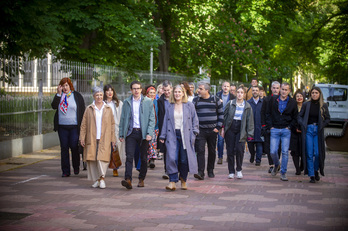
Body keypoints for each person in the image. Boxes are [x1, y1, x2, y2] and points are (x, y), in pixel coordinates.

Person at [159, 85, 199, 191]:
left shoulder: (189, 105)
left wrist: (194, 133)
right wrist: (162, 135)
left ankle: (183, 180)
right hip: (172, 134)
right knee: (172, 158)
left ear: (183, 93)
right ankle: (172, 181)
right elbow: (165, 122)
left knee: (184, 159)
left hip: (186, 135)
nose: (177, 94)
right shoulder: (169, 106)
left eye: (179, 92)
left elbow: (195, 120)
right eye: (175, 92)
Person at [119, 80, 155, 189]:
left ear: (141, 90)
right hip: (131, 132)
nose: (136, 90)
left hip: (143, 133)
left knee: (144, 158)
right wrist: (121, 133)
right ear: (131, 90)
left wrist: (149, 133)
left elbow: (152, 119)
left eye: (138, 88)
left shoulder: (148, 101)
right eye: (134, 88)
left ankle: (141, 178)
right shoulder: (126, 102)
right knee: (129, 156)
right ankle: (128, 179)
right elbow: (123, 118)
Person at [79, 87, 116, 189]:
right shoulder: (89, 108)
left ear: (103, 96)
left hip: (105, 137)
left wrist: (113, 139)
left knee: (102, 159)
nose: (99, 97)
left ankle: (102, 178)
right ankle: (97, 179)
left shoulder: (108, 109)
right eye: (97, 95)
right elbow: (84, 124)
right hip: (92, 137)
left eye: (100, 95)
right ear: (93, 96)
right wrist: (82, 137)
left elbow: (112, 125)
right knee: (93, 159)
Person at [51, 77, 86, 177]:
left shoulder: (77, 95)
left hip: (74, 126)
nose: (65, 88)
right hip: (62, 127)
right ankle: (65, 171)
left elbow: (82, 111)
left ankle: (76, 166)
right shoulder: (59, 96)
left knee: (74, 147)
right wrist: (58, 94)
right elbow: (53, 106)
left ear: (70, 85)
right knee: (64, 148)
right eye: (63, 86)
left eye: (66, 85)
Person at [266, 83, 297, 181]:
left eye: (285, 89)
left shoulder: (292, 102)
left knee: (284, 152)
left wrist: (289, 127)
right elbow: (268, 113)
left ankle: (283, 172)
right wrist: (270, 126)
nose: (283, 91)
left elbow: (295, 117)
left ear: (289, 91)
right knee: (273, 151)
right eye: (282, 89)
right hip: (274, 129)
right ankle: (276, 164)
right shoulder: (274, 100)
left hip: (285, 130)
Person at [298, 87, 330, 183]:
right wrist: (303, 124)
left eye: (316, 93)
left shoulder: (323, 105)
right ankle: (311, 175)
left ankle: (316, 170)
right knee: (309, 153)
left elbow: (328, 119)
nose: (314, 94)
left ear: (319, 94)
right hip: (308, 130)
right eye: (312, 93)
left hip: (318, 131)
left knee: (317, 153)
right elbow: (299, 116)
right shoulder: (306, 104)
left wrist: (322, 125)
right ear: (310, 94)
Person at [192, 82, 223, 180]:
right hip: (200, 130)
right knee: (200, 150)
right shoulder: (195, 100)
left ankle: (210, 170)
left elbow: (221, 115)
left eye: (201, 89)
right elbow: (192, 115)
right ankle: (200, 172)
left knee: (212, 151)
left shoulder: (215, 100)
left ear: (207, 90)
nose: (198, 90)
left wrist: (217, 128)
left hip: (212, 130)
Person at [223, 86, 254, 179]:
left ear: (244, 95)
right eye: (238, 92)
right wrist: (223, 129)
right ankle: (231, 171)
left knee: (240, 149)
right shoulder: (231, 103)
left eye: (242, 92)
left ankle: (239, 169)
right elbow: (225, 116)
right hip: (231, 127)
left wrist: (250, 134)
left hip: (241, 128)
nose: (240, 94)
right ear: (236, 93)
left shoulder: (247, 106)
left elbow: (250, 120)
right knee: (230, 150)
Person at [103, 84, 124, 177]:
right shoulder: (102, 103)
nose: (109, 92)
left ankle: (115, 168)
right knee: (105, 148)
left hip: (116, 127)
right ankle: (103, 168)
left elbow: (122, 117)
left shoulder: (119, 103)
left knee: (116, 148)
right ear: (104, 92)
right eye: (107, 90)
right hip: (105, 128)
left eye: (111, 90)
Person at [261, 81, 280, 173]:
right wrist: (264, 125)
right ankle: (271, 164)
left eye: (277, 88)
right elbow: (263, 113)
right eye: (274, 88)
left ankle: (277, 162)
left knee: (278, 147)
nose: (275, 90)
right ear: (271, 89)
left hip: (279, 127)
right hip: (268, 127)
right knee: (269, 146)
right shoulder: (266, 99)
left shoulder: (283, 100)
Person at [216, 81, 235, 164]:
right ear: (222, 87)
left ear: (230, 87)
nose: (226, 88)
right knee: (220, 140)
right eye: (224, 86)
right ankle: (220, 157)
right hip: (219, 120)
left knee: (229, 140)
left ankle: (229, 155)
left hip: (229, 121)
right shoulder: (217, 96)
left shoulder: (233, 97)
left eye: (227, 86)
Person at [157, 80, 173, 179]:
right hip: (164, 128)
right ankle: (167, 170)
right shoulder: (160, 101)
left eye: (168, 90)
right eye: (165, 90)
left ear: (171, 89)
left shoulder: (176, 100)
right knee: (166, 151)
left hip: (175, 128)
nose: (166, 92)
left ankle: (174, 169)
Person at [290, 90, 305, 175]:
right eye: (297, 96)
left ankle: (302, 166)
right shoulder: (292, 106)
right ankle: (297, 169)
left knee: (303, 150)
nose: (299, 98)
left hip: (304, 132)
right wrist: (295, 128)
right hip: (294, 132)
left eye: (301, 96)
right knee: (294, 151)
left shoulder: (306, 106)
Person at [247, 86, 263, 166]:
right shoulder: (248, 103)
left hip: (260, 127)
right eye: (253, 90)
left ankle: (258, 160)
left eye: (257, 90)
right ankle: (252, 154)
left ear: (259, 92)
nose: (255, 92)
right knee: (250, 145)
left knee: (259, 144)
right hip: (250, 128)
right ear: (252, 92)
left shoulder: (263, 103)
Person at [145, 85, 159, 169]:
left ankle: (152, 159)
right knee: (147, 143)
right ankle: (147, 158)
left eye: (154, 93)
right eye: (150, 92)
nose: (152, 94)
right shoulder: (145, 102)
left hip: (155, 126)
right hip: (147, 126)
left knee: (153, 143)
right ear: (147, 93)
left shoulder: (157, 102)